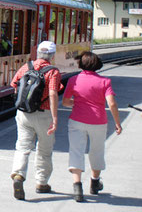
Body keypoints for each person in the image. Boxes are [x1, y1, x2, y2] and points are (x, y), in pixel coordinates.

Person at [62, 51, 122, 202]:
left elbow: (65, 102)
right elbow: (112, 103)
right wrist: (117, 123)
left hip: (76, 120)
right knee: (96, 151)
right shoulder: (105, 82)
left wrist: (77, 103)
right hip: (98, 122)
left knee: (76, 151)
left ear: (81, 64)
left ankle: (77, 186)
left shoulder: (74, 80)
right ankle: (95, 182)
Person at [9, 40, 61, 200]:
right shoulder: (53, 72)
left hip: (24, 114)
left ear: (37, 53)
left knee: (22, 146)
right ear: (52, 56)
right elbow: (53, 93)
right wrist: (55, 117)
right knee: (44, 150)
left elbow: (14, 85)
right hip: (43, 114)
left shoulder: (26, 67)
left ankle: (18, 175)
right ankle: (41, 183)